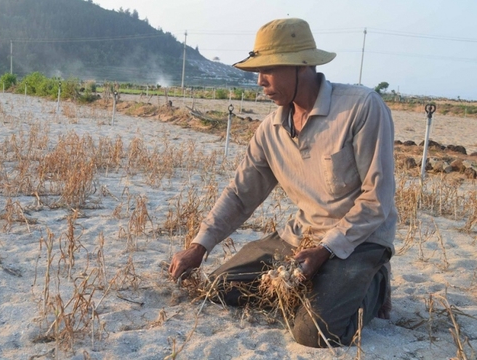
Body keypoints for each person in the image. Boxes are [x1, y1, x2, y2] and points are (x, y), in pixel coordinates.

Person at [168, 18, 397, 348]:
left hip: (358, 241)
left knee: (314, 332)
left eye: (269, 69)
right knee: (219, 287)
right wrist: (199, 246)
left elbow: (378, 199)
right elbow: (240, 194)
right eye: (257, 72)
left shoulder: (361, 108)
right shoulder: (271, 129)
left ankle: (374, 281)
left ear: (302, 65)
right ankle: (319, 283)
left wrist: (325, 250)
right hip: (302, 237)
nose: (260, 81)